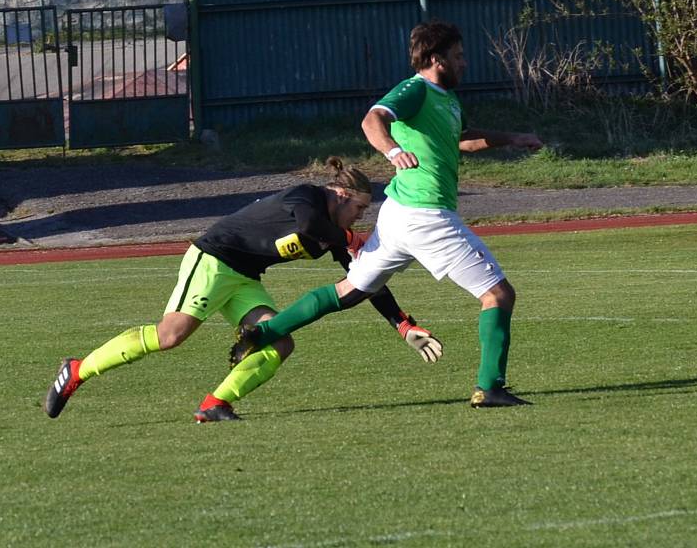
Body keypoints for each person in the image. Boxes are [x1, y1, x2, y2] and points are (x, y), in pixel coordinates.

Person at [213, 20, 543, 410]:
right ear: (436, 58)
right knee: (498, 294)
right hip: (426, 216)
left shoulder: (447, 100)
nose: (465, 63)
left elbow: (463, 139)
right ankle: (490, 387)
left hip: (398, 217)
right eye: (458, 56)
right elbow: (373, 119)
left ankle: (264, 332)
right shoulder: (416, 88)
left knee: (351, 291)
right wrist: (391, 151)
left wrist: (513, 139)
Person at [43, 157, 442, 422]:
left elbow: (365, 279)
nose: (359, 217)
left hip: (245, 278)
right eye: (358, 208)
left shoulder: (336, 231)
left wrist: (403, 325)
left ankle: (216, 404)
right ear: (340, 195)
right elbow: (306, 226)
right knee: (170, 336)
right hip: (214, 260)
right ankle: (77, 370)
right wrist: (346, 235)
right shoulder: (306, 196)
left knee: (279, 342)